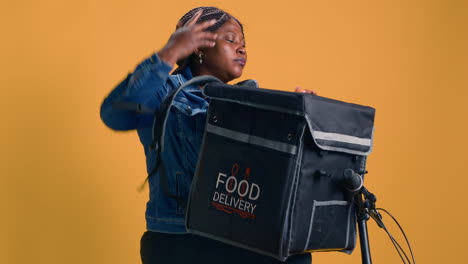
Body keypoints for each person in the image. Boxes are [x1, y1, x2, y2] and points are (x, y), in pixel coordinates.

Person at [100, 6, 312, 264]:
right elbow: (115, 113)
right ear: (199, 47)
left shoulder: (251, 102)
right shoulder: (164, 92)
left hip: (239, 231)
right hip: (182, 237)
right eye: (231, 40)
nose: (242, 49)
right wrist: (171, 51)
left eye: (244, 44)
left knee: (296, 257)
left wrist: (303, 117)